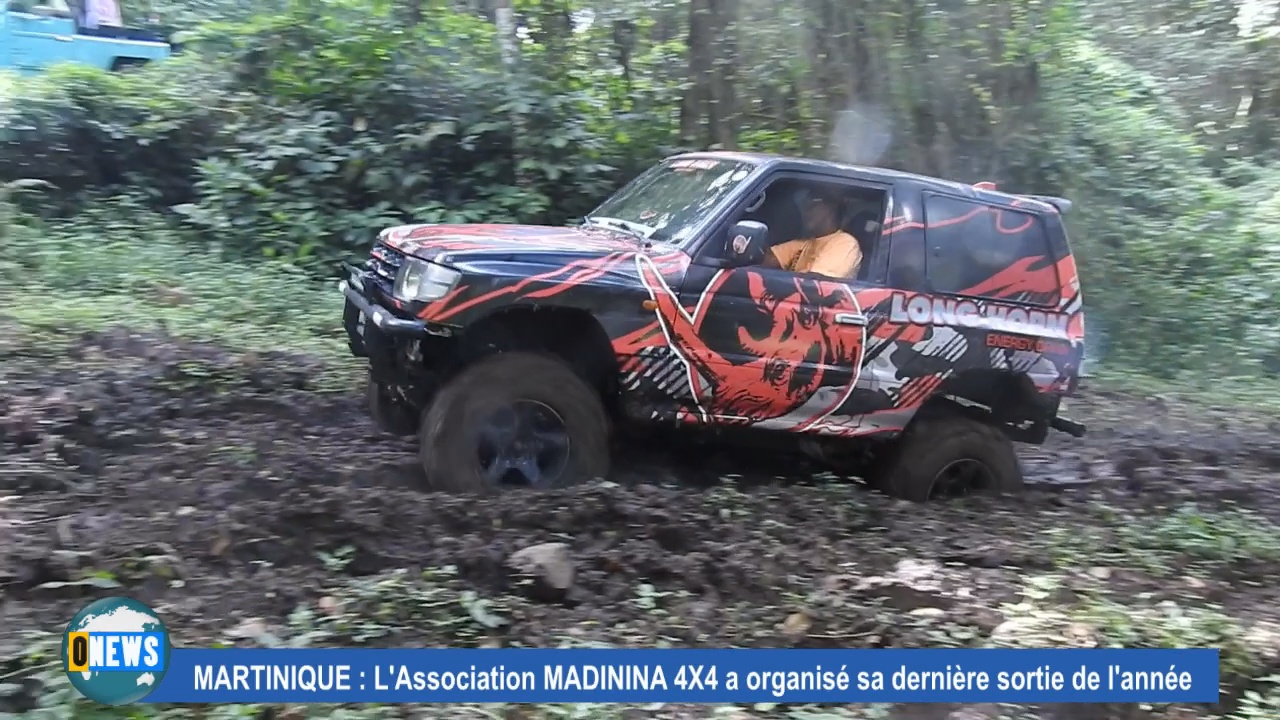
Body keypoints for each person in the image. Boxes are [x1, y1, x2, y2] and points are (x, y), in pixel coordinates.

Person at [761, 190, 864, 279]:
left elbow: (815, 286)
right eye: (804, 205)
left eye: (812, 204)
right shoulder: (805, 243)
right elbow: (765, 259)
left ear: (831, 207)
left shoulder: (844, 243)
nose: (805, 211)